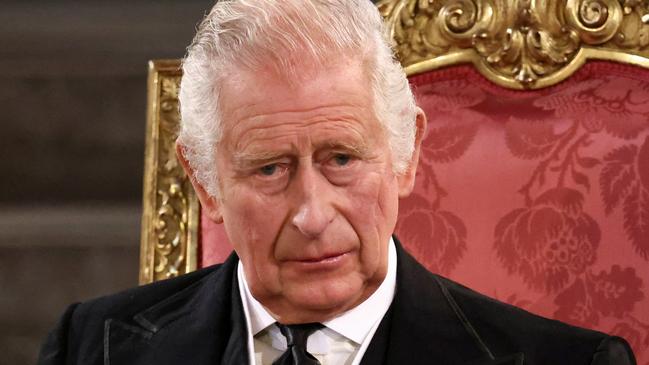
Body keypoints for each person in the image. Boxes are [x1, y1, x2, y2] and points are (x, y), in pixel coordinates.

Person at [38, 1, 636, 364]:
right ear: (205, 184)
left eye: (342, 159)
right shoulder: (91, 348)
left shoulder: (568, 362)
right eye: (270, 168)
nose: (312, 214)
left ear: (406, 155)